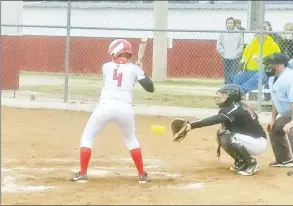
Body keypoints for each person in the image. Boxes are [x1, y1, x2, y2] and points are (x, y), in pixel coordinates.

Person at [70, 39, 155, 184]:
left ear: (115, 51)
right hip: (125, 108)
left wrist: (136, 69)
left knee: (88, 136)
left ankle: (83, 173)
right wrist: (141, 72)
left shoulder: (106, 67)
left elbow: (118, 69)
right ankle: (142, 174)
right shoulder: (134, 69)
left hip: (105, 106)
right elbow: (150, 88)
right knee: (131, 139)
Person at [172, 84, 267, 176]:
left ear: (231, 96)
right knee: (222, 133)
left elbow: (215, 119)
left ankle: (251, 164)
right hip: (250, 139)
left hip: (257, 142)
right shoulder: (236, 106)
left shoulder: (234, 109)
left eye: (223, 95)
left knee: (230, 137)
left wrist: (191, 126)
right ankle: (241, 162)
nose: (220, 97)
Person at [216, 17, 244, 84]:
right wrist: (222, 52)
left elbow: (241, 44)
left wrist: (237, 53)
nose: (229, 24)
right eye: (228, 23)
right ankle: (226, 88)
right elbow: (219, 44)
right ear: (226, 24)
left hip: (235, 57)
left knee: (233, 74)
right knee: (227, 74)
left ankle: (233, 88)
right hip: (225, 57)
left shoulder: (239, 33)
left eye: (231, 23)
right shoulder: (222, 33)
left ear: (234, 24)